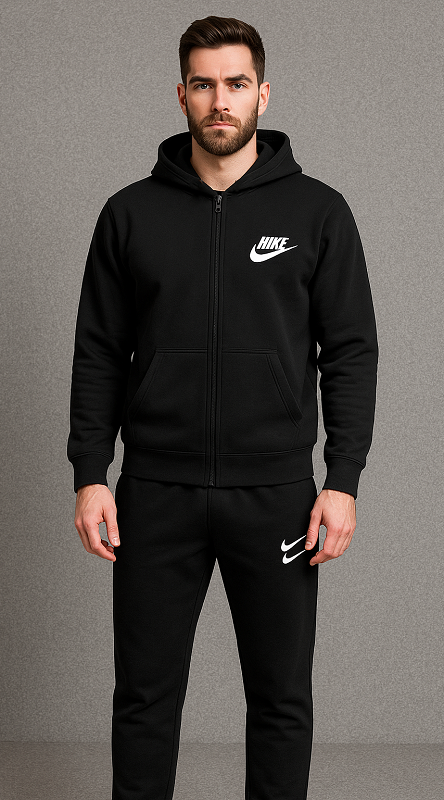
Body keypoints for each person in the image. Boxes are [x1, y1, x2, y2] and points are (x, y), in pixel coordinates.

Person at [67, 15, 378, 800]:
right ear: (181, 96)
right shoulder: (130, 214)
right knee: (143, 701)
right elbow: (98, 350)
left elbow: (349, 352)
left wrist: (342, 480)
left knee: (281, 700)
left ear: (263, 94)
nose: (220, 101)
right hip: (155, 494)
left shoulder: (318, 213)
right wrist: (91, 473)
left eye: (236, 83)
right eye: (203, 84)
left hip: (276, 495)